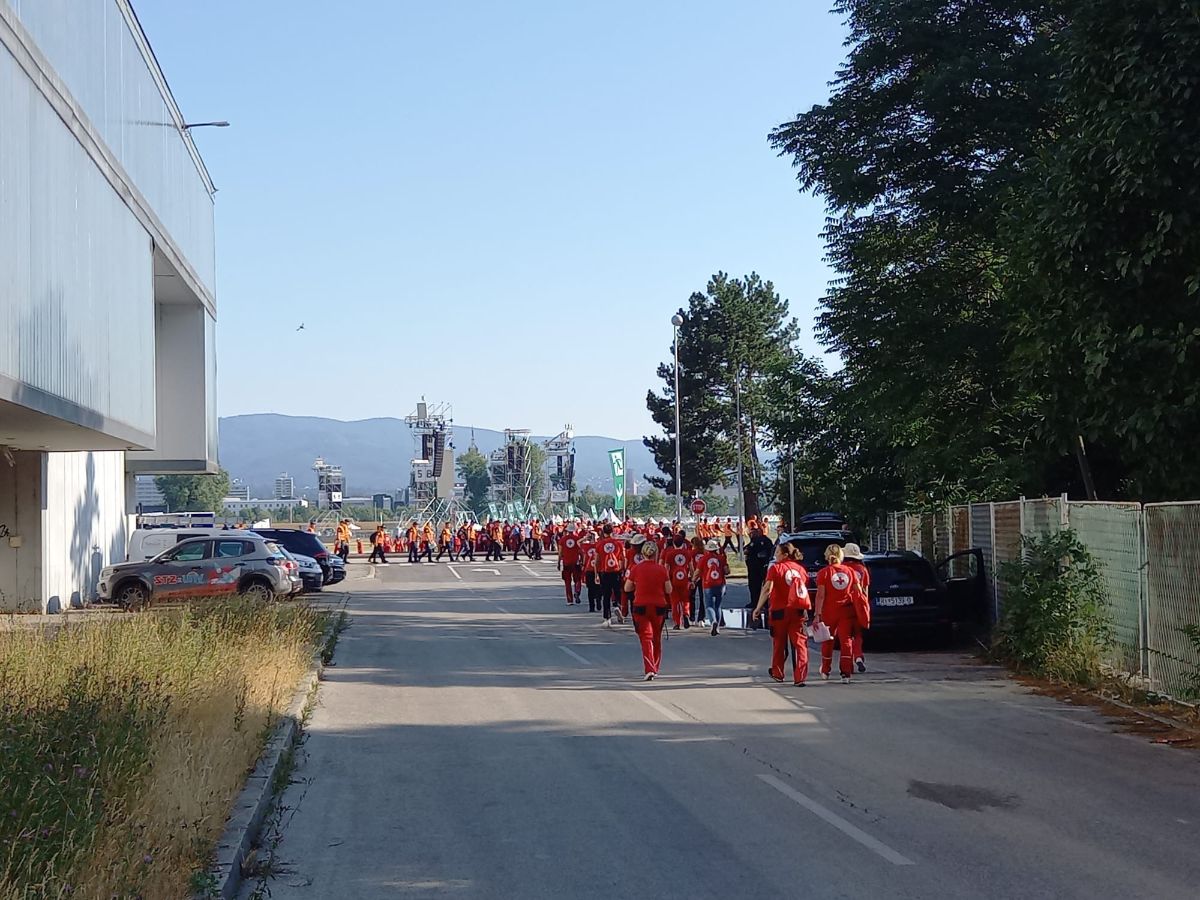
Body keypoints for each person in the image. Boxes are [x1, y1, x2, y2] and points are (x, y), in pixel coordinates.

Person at [752, 537, 811, 685]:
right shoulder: (800, 570)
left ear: (785, 555)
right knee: (800, 644)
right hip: (798, 610)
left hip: (779, 611)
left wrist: (758, 608)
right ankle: (800, 676)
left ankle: (778, 673)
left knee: (779, 644)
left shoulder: (776, 568)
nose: (775, 555)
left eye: (777, 552)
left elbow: (767, 589)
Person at [816, 544, 869, 683]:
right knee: (846, 641)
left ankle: (825, 670)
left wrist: (817, 614)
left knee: (828, 640)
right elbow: (859, 592)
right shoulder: (850, 572)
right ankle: (846, 673)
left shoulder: (823, 573)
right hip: (847, 611)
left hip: (829, 611)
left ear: (827, 556)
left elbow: (820, 596)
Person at [623, 541, 672, 681]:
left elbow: (627, 588)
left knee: (646, 638)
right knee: (656, 637)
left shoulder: (636, 568)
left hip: (641, 605)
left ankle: (649, 668)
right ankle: (655, 667)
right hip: (658, 606)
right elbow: (669, 589)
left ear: (643, 553)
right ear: (656, 554)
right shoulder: (662, 569)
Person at [697, 538, 730, 635]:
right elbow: (727, 571)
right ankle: (717, 627)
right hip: (720, 584)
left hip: (708, 584)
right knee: (718, 606)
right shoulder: (721, 558)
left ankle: (713, 622)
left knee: (709, 606)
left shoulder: (703, 559)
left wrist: (693, 580)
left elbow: (697, 572)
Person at [744, 523, 775, 626]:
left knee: (758, 586)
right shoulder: (759, 541)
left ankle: (758, 603)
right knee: (755, 586)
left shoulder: (762, 541)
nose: (752, 534)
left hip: (758, 568)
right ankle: (757, 602)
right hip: (757, 568)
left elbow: (749, 550)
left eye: (754, 532)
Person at [595, 524, 626, 625]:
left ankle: (607, 618)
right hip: (616, 571)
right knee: (617, 592)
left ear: (603, 532)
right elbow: (623, 558)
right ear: (612, 531)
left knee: (606, 595)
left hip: (604, 571)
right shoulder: (618, 543)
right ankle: (617, 606)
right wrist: (622, 569)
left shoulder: (599, 544)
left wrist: (596, 574)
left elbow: (596, 561)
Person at [664, 532, 694, 630]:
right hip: (684, 579)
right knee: (685, 599)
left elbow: (666, 568)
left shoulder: (669, 554)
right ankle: (686, 613)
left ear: (673, 543)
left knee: (674, 602)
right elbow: (691, 568)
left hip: (673, 580)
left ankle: (677, 622)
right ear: (683, 543)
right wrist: (692, 580)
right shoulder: (687, 553)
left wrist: (666, 581)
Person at [558, 524, 584, 605]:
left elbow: (560, 553)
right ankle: (577, 591)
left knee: (567, 582)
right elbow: (581, 552)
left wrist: (558, 562)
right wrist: (582, 561)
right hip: (576, 562)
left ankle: (570, 600)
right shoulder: (577, 539)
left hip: (566, 562)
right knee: (578, 579)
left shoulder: (562, 539)